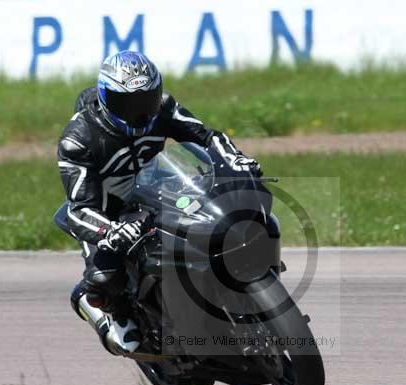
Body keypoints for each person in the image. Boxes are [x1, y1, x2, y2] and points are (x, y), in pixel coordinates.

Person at [57, 51, 261, 355]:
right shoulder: (78, 139)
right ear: (105, 99)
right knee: (105, 277)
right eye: (128, 105)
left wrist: (235, 159)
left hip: (158, 188)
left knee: (221, 220)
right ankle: (108, 313)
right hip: (107, 213)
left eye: (146, 101)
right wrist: (108, 231)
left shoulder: (164, 107)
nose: (139, 113)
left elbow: (206, 137)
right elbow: (78, 209)